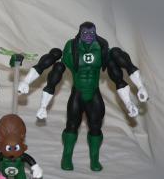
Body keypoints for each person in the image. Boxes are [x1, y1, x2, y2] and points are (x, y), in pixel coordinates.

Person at [18, 22, 149, 171]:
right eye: (85, 33)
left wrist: (134, 96)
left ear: (95, 32)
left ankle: (94, 160)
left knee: (95, 127)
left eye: (91, 32)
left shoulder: (102, 47)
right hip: (77, 93)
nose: (88, 36)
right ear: (80, 33)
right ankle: (66, 157)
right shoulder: (71, 47)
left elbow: (118, 75)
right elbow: (53, 69)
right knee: (71, 126)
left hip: (94, 93)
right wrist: (29, 86)